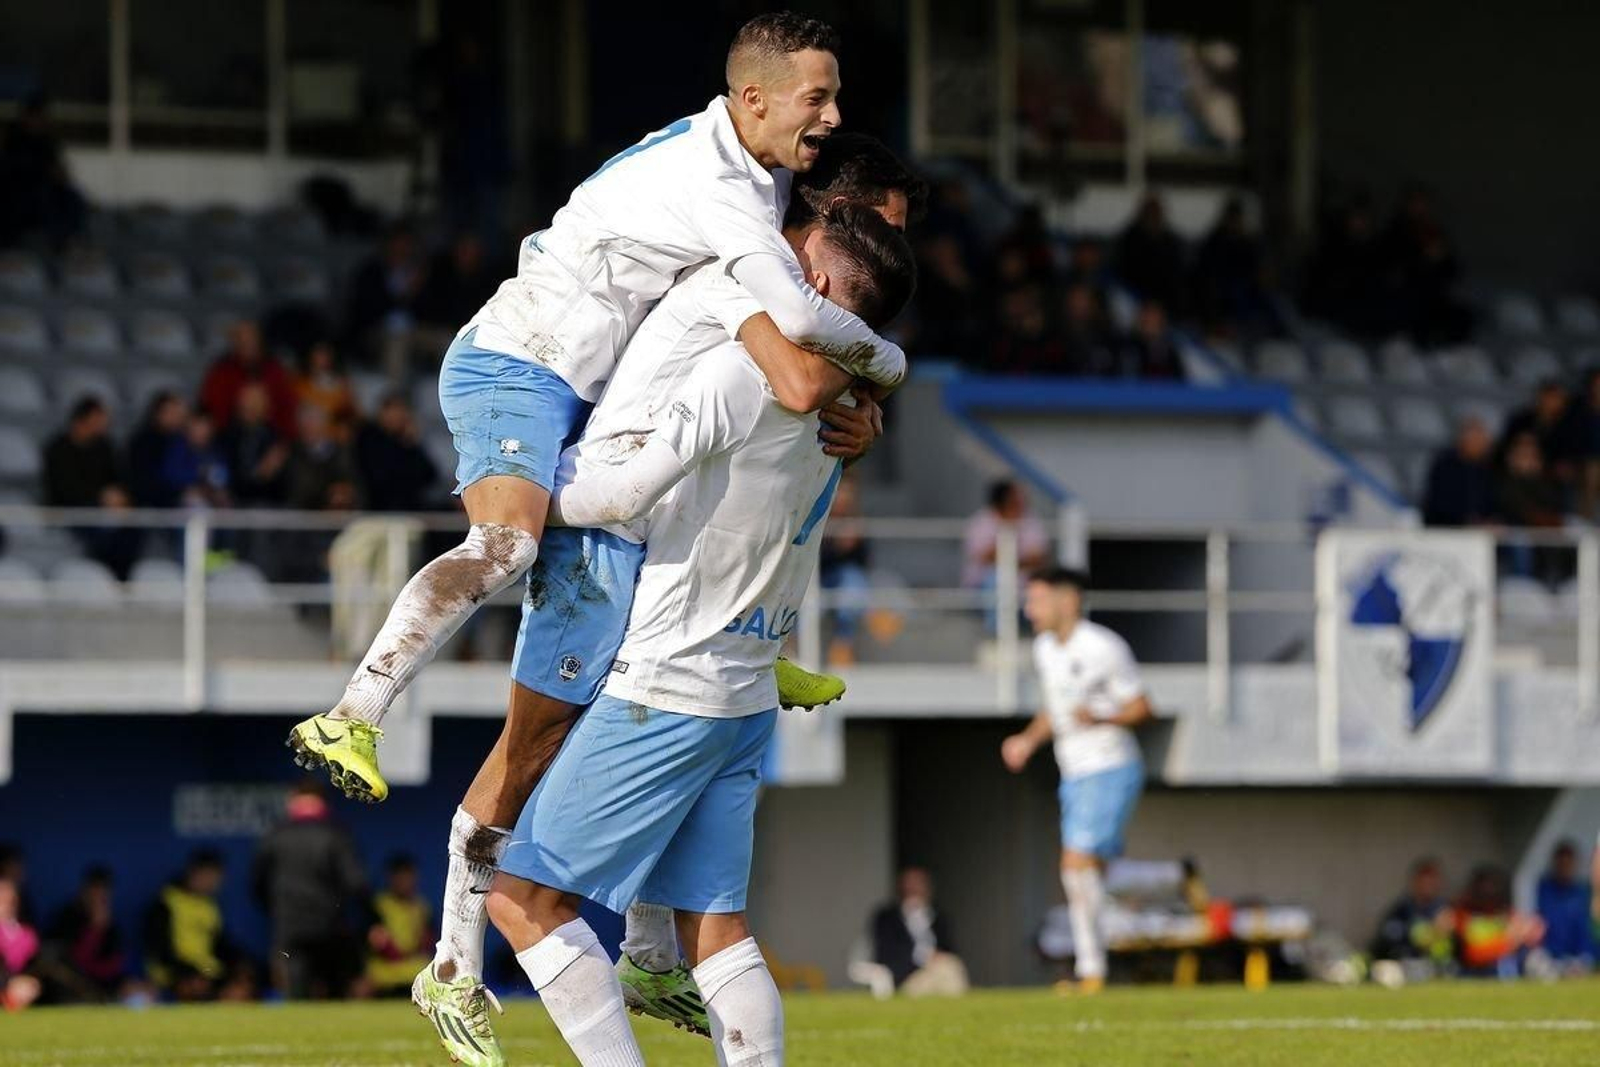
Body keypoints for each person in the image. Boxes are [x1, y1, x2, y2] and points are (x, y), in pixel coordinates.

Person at [288, 12, 913, 814]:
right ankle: (354, 713)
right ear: (753, 99)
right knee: (509, 543)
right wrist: (889, 364)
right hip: (518, 361)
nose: (831, 116)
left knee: (748, 462)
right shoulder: (716, 183)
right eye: (819, 99)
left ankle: (740, 639)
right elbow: (796, 317)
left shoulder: (766, 173)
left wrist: (865, 402)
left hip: (589, 385)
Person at [409, 144, 918, 1062]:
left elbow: (623, 494)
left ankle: (456, 960)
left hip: (667, 684)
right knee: (716, 930)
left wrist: (518, 503)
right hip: (745, 698)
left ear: (816, 276)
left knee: (527, 901)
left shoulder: (743, 371)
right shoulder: (846, 419)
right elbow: (828, 368)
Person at [1000, 568, 1153, 993]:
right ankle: (1143, 903)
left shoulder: (1104, 646)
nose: (1029, 610)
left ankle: (1091, 969)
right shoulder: (1045, 649)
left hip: (1109, 766)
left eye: (1037, 600)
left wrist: (1102, 716)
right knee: (1091, 872)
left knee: (1075, 864)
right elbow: (1056, 709)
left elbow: (1142, 707)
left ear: (1067, 601)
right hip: (1074, 771)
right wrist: (1027, 741)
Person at [252, 781, 369, 1000]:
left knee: (296, 993)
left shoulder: (275, 834)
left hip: (290, 924)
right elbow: (356, 883)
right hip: (329, 924)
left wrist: (277, 909)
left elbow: (257, 884)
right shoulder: (336, 834)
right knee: (334, 994)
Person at [42, 396, 141, 580]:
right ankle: (100, 577)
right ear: (82, 420)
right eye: (99, 420)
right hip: (70, 510)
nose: (104, 425)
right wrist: (101, 497)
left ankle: (121, 581)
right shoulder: (58, 449)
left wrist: (120, 498)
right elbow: (64, 490)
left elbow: (119, 479)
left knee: (132, 529)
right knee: (102, 532)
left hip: (104, 509)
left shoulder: (104, 446)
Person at [142, 849, 252, 1002]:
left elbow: (222, 946)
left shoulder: (210, 907)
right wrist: (189, 974)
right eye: (209, 876)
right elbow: (161, 952)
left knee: (239, 987)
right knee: (193, 986)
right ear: (194, 872)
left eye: (217, 878)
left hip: (207, 974)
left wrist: (241, 964)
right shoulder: (166, 903)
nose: (213, 883)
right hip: (175, 976)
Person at [869, 867, 969, 996]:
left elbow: (949, 949)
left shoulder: (938, 917)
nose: (915, 888)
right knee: (947, 971)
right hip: (907, 976)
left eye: (919, 883)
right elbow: (886, 951)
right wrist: (925, 957)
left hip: (939, 970)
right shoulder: (887, 918)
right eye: (910, 883)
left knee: (949, 966)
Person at [961, 480, 1051, 618]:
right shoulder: (981, 522)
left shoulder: (1030, 520)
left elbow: (1038, 558)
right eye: (1016, 496)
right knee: (995, 580)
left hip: (1024, 590)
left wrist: (1009, 560)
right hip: (982, 589)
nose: (1022, 500)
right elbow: (985, 557)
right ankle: (996, 634)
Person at [38, 866, 126, 1003]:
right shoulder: (67, 917)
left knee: (138, 990)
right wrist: (94, 930)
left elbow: (114, 965)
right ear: (84, 891)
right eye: (95, 891)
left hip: (101, 985)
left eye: (104, 892)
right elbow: (72, 962)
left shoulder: (112, 925)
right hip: (70, 986)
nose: (98, 897)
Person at [199, 320, 299, 440]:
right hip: (229, 436)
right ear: (235, 343)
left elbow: (287, 407)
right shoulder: (221, 370)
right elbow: (212, 408)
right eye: (241, 341)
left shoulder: (274, 369)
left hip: (271, 437)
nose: (247, 345)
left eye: (251, 340)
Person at [1451, 865, 1544, 978]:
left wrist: (1529, 930)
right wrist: (1510, 942)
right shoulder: (1463, 915)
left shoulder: (1506, 914)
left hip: (1504, 967)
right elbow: (1473, 954)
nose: (1488, 892)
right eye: (1484, 886)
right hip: (1476, 971)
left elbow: (1535, 932)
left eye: (1492, 886)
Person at [355, 393, 440, 513]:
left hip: (410, 509)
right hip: (377, 508)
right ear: (382, 413)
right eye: (393, 411)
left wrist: (411, 445)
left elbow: (430, 476)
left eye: (402, 411)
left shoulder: (407, 441)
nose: (398, 416)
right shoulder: (368, 437)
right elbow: (381, 478)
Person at [1370, 857, 1453, 973]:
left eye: (1432, 880)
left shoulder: (1443, 908)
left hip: (1436, 965)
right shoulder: (1403, 908)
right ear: (1415, 881)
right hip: (1407, 961)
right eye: (1424, 880)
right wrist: (1430, 932)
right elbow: (1389, 934)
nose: (1428, 885)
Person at [367, 855, 433, 996]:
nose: (404, 882)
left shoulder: (422, 906)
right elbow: (378, 941)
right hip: (385, 975)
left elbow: (428, 943)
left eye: (408, 876)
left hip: (416, 973)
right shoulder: (378, 905)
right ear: (391, 878)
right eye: (400, 877)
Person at [217, 383, 291, 507]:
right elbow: (225, 477)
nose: (249, 406)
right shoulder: (227, 437)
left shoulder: (275, 439)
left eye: (255, 402)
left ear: (265, 406)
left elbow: (283, 488)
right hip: (233, 505)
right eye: (246, 402)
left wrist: (269, 472)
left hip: (268, 506)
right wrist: (259, 473)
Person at [1423, 416, 1497, 527]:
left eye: (1482, 437)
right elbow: (1440, 504)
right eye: (1474, 437)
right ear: (1462, 439)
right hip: (1445, 531)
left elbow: (1493, 504)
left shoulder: (1489, 468)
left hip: (1481, 534)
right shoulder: (1445, 466)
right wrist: (1468, 521)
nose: (1479, 442)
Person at [1536, 840, 1595, 972]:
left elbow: (1587, 932)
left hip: (1581, 957)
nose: (1564, 868)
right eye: (1561, 864)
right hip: (1549, 957)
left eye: (1568, 864)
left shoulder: (1584, 892)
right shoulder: (1542, 890)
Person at [126, 392, 191, 509]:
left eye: (178, 413)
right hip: (147, 505)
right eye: (171, 412)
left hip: (175, 504)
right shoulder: (143, 442)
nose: (175, 417)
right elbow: (144, 482)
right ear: (158, 413)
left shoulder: (182, 440)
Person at [1116, 300, 1185, 381]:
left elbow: (1179, 381)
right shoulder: (1129, 348)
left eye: (1154, 318)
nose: (1150, 322)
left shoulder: (1171, 350)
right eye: (1147, 318)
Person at [0, 876, 41, 1010]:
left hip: (23, 986)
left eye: (10, 899)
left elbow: (35, 965)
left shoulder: (28, 933)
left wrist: (28, 981)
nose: (7, 903)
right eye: (2, 898)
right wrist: (8, 985)